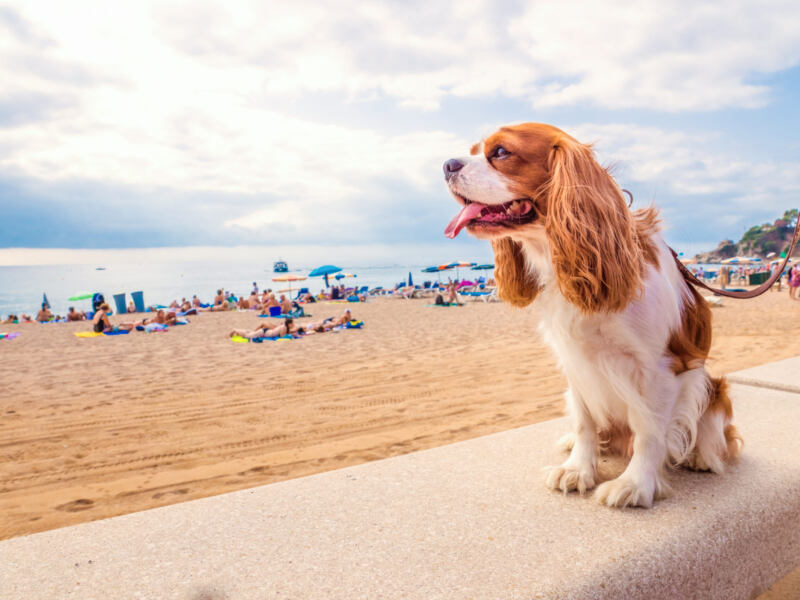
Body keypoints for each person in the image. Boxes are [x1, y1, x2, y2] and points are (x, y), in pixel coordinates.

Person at [229, 317, 295, 340]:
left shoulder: (285, 326)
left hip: (265, 332)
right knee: (248, 336)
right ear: (289, 324)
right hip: (264, 332)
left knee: (251, 333)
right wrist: (292, 336)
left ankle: (238, 332)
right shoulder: (284, 327)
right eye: (292, 323)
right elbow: (282, 336)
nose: (293, 325)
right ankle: (235, 330)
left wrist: (292, 334)